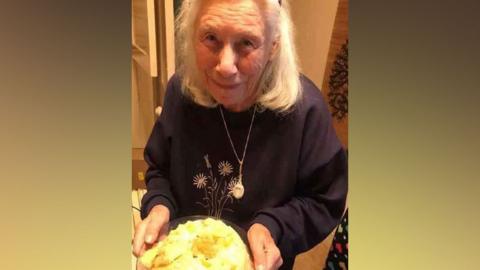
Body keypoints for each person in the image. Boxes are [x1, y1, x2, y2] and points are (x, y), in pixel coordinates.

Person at [132, 0, 348, 269]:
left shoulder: (307, 112)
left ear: (273, 46)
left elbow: (323, 201)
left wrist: (273, 226)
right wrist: (159, 205)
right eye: (211, 37)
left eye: (246, 42)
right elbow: (159, 168)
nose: (225, 66)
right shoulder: (181, 91)